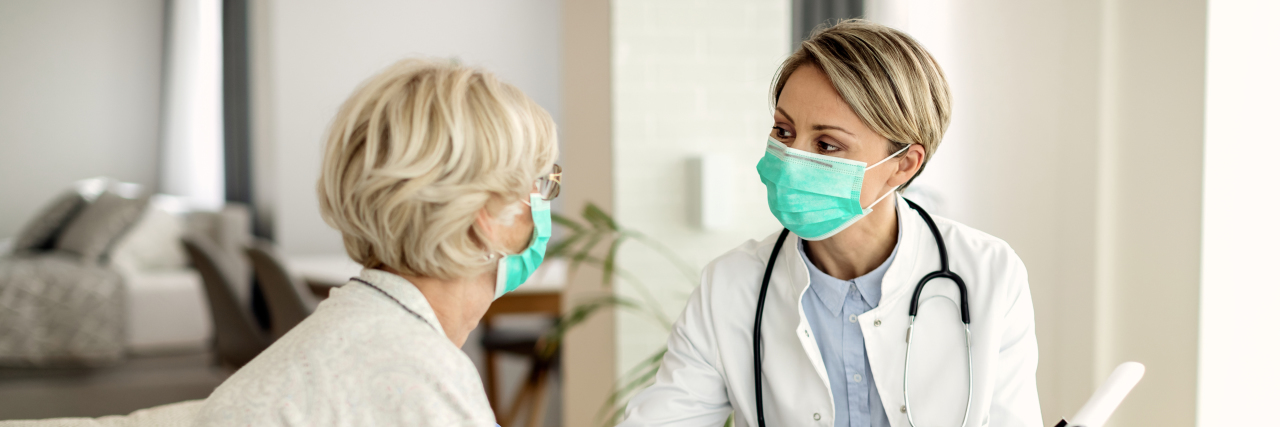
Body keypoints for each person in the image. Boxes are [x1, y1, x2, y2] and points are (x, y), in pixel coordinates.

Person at [618, 20, 1040, 427]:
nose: (792, 158)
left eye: (826, 144)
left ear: (903, 166)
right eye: (783, 131)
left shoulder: (989, 274)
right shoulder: (730, 287)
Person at [194, 58, 560, 426]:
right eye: (541, 184)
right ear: (485, 218)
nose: (544, 204)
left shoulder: (335, 338)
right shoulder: (426, 381)